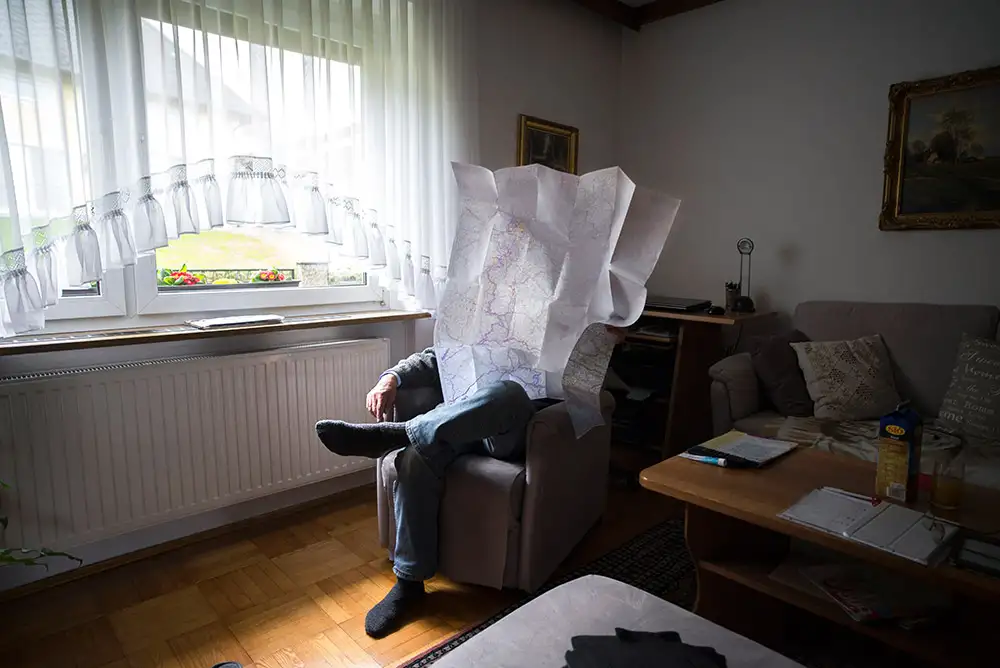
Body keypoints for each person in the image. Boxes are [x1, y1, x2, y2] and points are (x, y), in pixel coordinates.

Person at [315, 326, 627, 638]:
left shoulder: (566, 314)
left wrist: (606, 333)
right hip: (461, 422)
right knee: (414, 460)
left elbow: (593, 364)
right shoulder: (489, 314)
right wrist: (391, 378)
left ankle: (400, 433)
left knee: (508, 392)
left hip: (517, 427)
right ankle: (409, 584)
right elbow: (437, 357)